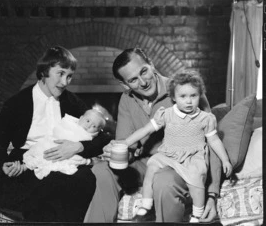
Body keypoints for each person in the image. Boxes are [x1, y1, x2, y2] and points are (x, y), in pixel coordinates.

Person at [84, 48, 223, 223]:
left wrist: (212, 194)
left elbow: (211, 143)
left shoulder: (185, 90)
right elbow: (127, 148)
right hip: (144, 164)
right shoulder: (126, 99)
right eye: (133, 80)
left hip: (179, 165)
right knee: (101, 169)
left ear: (151, 64)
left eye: (144, 71)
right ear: (125, 85)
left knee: (163, 181)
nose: (143, 82)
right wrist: (114, 152)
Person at [0, 46, 111, 222]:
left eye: (69, 76)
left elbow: (104, 135)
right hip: (30, 160)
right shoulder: (16, 103)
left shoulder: (71, 101)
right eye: (60, 73)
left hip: (66, 160)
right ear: (44, 71)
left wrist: (79, 146)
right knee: (49, 185)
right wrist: (4, 164)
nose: (65, 82)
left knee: (85, 179)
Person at [120, 70, 232, 222]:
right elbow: (145, 130)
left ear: (200, 95)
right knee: (152, 167)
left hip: (192, 157)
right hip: (169, 154)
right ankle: (146, 203)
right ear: (173, 97)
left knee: (197, 182)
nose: (188, 101)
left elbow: (214, 141)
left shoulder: (205, 119)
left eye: (193, 96)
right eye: (183, 96)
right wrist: (125, 143)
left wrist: (225, 160)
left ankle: (197, 214)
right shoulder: (166, 114)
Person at [23, 108, 106, 179]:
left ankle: (29, 166)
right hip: (53, 143)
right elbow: (58, 131)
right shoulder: (69, 123)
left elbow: (102, 140)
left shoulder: (89, 137)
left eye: (94, 126)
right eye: (88, 121)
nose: (88, 126)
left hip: (69, 155)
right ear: (80, 118)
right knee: (41, 151)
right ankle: (26, 165)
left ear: (97, 131)